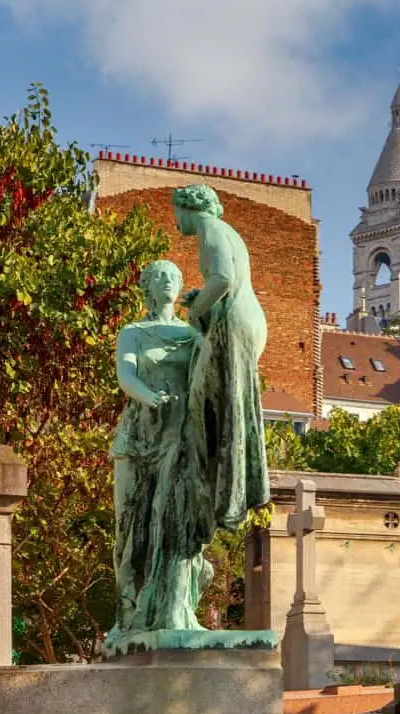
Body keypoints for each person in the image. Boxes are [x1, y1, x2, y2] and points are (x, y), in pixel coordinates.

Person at [107, 259, 210, 635]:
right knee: (130, 525)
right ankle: (130, 613)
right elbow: (127, 376)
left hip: (179, 438)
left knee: (175, 523)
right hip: (138, 437)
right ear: (147, 287)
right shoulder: (132, 333)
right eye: (160, 277)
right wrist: (150, 398)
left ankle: (175, 609)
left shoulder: (191, 335)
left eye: (174, 276)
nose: (168, 281)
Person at [173, 183, 271, 551]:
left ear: (186, 208)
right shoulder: (229, 232)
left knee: (207, 405)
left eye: (175, 212)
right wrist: (204, 303)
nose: (176, 221)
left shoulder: (210, 227)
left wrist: (196, 309)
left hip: (235, 324)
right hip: (241, 320)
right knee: (219, 403)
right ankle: (224, 488)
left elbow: (224, 279)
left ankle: (225, 493)